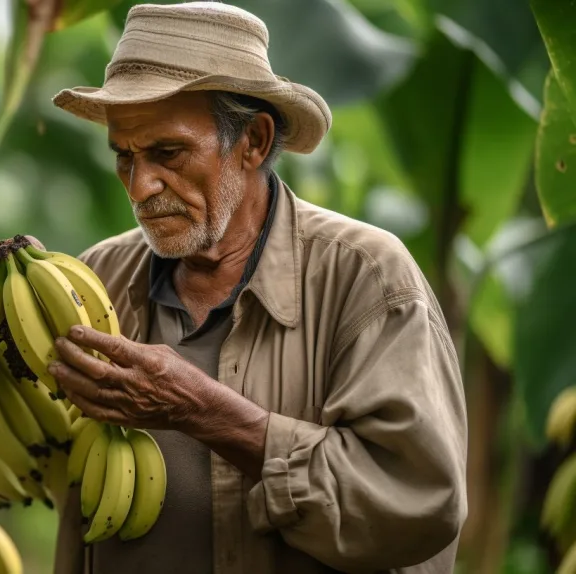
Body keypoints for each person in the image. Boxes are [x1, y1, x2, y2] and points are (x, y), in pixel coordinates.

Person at [41, 3, 469, 574]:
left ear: (254, 142)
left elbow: (418, 505)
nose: (140, 186)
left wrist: (209, 413)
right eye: (125, 156)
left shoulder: (365, 276)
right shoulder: (99, 279)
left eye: (168, 153)